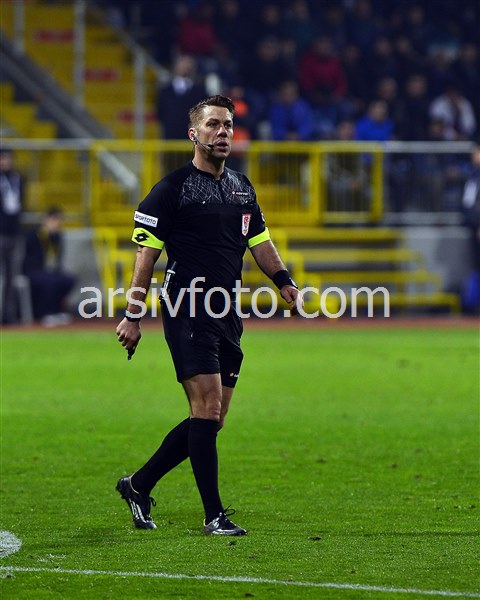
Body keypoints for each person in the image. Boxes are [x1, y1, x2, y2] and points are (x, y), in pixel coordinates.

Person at [115, 95, 300, 536]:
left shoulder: (241, 187)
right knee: (207, 406)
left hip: (226, 311)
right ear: (193, 134)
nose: (222, 132)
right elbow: (146, 257)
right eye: (213, 124)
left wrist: (284, 281)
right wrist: (132, 315)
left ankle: (138, 485)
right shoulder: (171, 189)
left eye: (228, 125)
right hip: (187, 307)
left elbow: (260, 241)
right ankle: (213, 515)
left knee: (212, 419)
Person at [23, 207, 75, 326]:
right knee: (48, 281)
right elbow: (29, 258)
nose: (57, 224)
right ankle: (46, 313)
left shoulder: (57, 237)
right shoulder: (34, 235)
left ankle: (57, 310)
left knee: (68, 279)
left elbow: (57, 258)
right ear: (46, 220)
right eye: (54, 220)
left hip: (50, 271)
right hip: (33, 270)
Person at [0, 148, 24, 325]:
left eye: (9, 158)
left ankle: (9, 314)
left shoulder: (18, 179)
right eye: (3, 158)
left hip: (14, 234)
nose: (6, 162)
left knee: (11, 277)